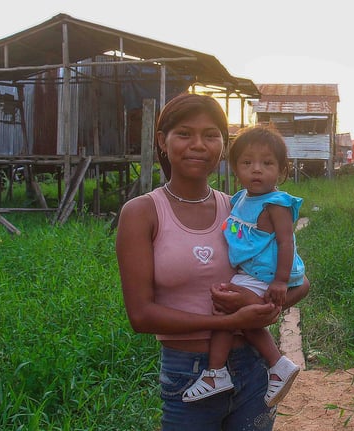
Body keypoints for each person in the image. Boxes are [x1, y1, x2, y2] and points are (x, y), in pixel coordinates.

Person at [116, 92, 308, 430]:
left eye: (210, 135)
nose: (198, 145)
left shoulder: (241, 207)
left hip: (252, 367)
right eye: (185, 134)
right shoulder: (142, 213)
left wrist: (259, 305)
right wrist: (234, 319)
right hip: (188, 374)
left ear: (223, 144)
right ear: (163, 141)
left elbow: (300, 282)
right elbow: (141, 316)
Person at [181, 124, 306, 407]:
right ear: (235, 169)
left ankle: (220, 372)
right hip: (251, 272)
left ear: (282, 170)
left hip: (267, 274)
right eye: (247, 163)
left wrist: (280, 282)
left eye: (267, 163)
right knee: (234, 312)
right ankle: (266, 366)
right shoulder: (240, 200)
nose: (257, 170)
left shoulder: (276, 203)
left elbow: (287, 243)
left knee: (227, 308)